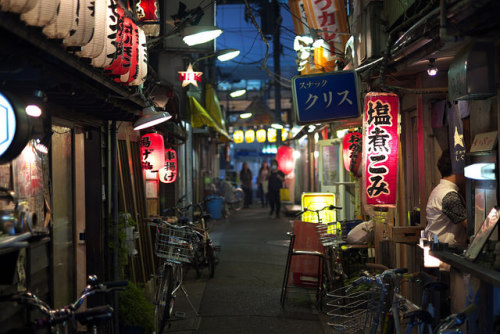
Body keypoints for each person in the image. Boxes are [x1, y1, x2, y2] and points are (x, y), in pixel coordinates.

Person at [425, 149, 468, 249]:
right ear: (456, 169)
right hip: (447, 251)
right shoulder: (449, 195)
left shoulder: (439, 190)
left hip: (437, 247)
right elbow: (468, 224)